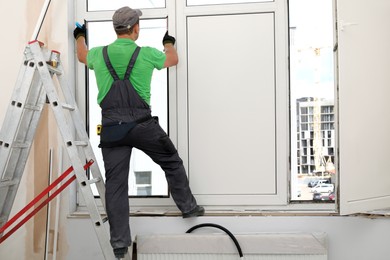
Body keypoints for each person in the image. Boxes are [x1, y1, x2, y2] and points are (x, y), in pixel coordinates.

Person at [73, 6, 204, 259]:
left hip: (112, 129)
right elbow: (173, 60)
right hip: (143, 125)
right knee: (172, 162)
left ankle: (120, 244)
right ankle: (188, 208)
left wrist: (79, 35)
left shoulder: (99, 54)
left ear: (115, 29)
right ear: (135, 29)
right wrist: (168, 43)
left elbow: (81, 56)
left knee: (116, 185)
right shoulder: (146, 54)